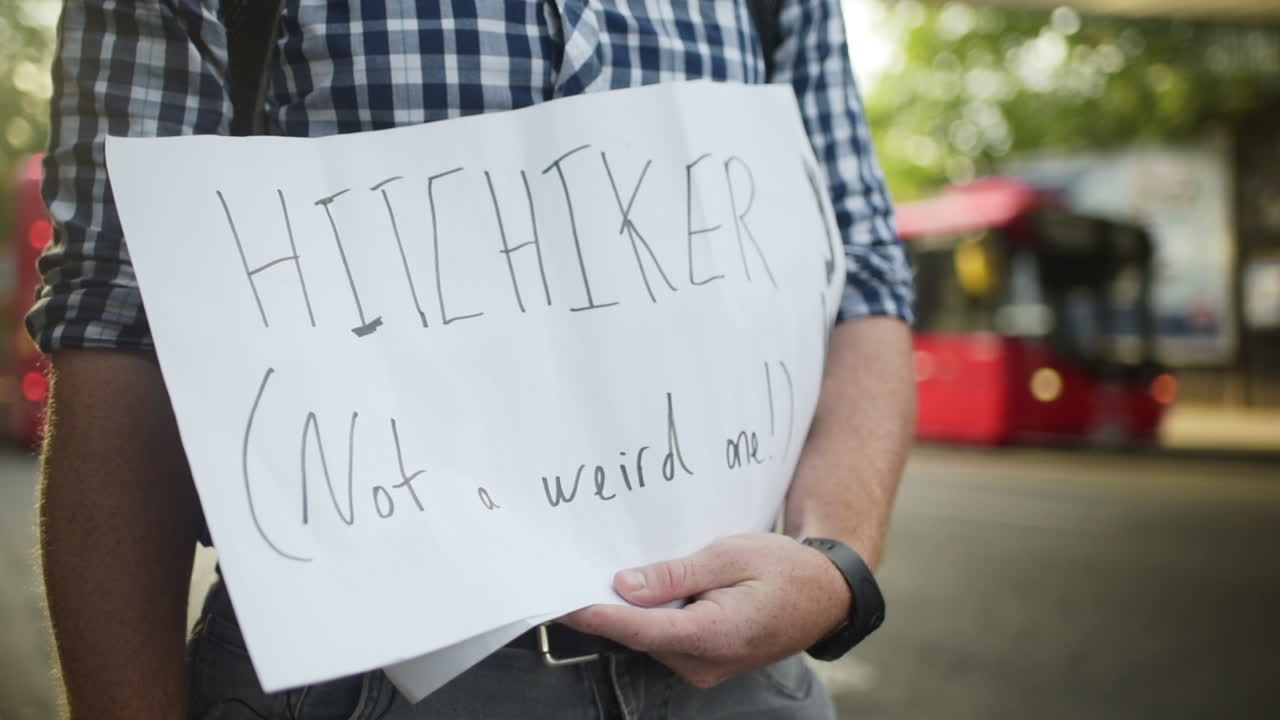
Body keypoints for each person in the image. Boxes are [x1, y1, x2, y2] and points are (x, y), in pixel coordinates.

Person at [31, 1, 916, 718]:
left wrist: (836, 568)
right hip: (361, 681)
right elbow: (118, 324)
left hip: (745, 685)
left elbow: (864, 275)